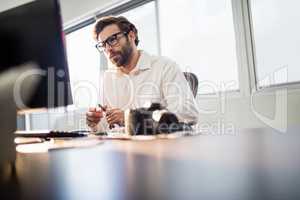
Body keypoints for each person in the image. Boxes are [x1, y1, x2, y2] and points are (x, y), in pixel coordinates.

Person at [86, 16, 199, 132]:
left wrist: (130, 118)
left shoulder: (165, 66)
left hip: (160, 146)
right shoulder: (108, 78)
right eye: (103, 45)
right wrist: (94, 122)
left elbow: (188, 113)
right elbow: (105, 130)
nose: (108, 49)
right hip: (122, 147)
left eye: (112, 40)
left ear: (131, 35)